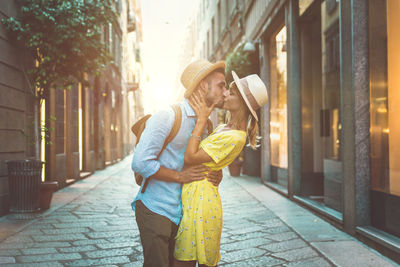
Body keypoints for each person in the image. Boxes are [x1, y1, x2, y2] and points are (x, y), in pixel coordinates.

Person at [131, 59, 229, 267]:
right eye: (221, 85)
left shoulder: (207, 125)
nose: (226, 91)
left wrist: (216, 175)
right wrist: (178, 176)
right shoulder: (168, 116)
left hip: (187, 215)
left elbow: (203, 163)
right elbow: (140, 162)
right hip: (157, 208)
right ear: (204, 85)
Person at [173, 71, 268, 267]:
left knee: (186, 260)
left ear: (242, 103)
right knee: (186, 257)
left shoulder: (235, 136)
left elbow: (191, 157)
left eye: (231, 93)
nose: (225, 94)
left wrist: (201, 120)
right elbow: (208, 158)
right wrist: (217, 170)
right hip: (196, 194)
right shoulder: (225, 127)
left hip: (202, 202)